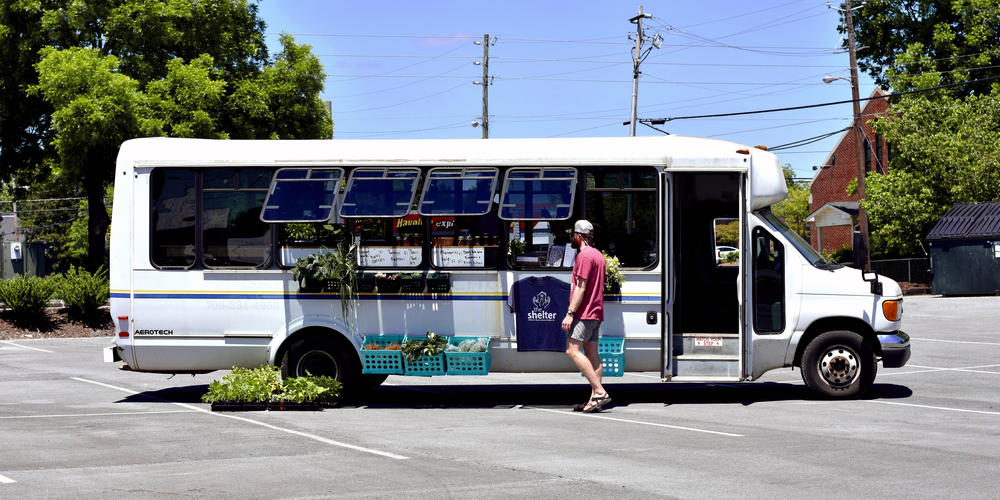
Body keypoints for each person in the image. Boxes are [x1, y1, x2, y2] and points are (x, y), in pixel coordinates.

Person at [561, 219, 610, 413]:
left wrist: (570, 313)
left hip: (584, 312)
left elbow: (581, 287)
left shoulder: (584, 256)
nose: (571, 238)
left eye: (573, 234)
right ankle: (594, 400)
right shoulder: (598, 255)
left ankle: (599, 392)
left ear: (579, 236)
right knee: (592, 355)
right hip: (596, 311)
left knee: (572, 350)